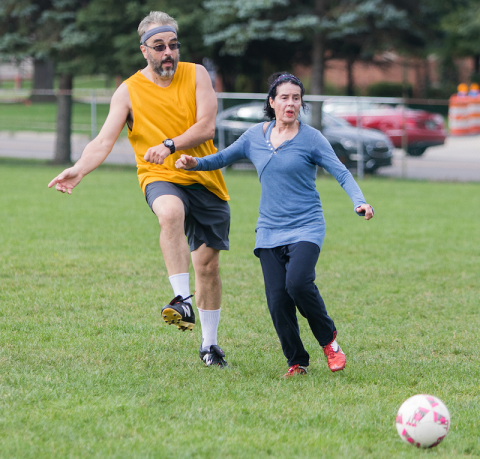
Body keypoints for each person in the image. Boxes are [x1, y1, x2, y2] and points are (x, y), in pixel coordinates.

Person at [48, 11, 230, 368]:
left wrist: (170, 144)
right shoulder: (128, 91)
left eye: (173, 45)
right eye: (159, 46)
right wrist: (78, 170)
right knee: (170, 212)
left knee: (208, 268)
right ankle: (181, 300)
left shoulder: (197, 75)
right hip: (159, 175)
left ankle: (209, 345)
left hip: (204, 176)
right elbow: (103, 140)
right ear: (144, 50)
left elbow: (207, 127)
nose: (168, 53)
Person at [176, 72, 374, 377]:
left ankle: (329, 341)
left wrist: (359, 201)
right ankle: (297, 362)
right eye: (284, 97)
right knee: (278, 301)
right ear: (272, 102)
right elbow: (222, 158)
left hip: (307, 225)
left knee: (298, 283)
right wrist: (195, 163)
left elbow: (341, 172)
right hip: (269, 230)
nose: (290, 103)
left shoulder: (312, 138)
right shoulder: (254, 137)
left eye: (296, 98)